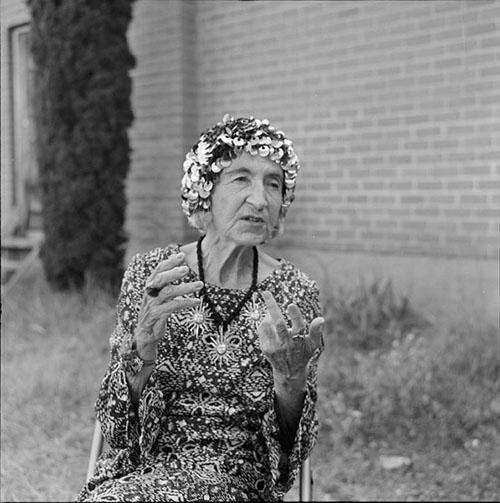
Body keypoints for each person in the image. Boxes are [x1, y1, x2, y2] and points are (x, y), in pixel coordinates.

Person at [77, 114, 325, 502]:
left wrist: (289, 379)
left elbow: (291, 455)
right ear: (205, 192)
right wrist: (142, 345)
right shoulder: (153, 275)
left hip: (242, 483)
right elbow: (116, 428)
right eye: (241, 178)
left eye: (272, 184)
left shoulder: (295, 292)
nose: (259, 200)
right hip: (145, 471)